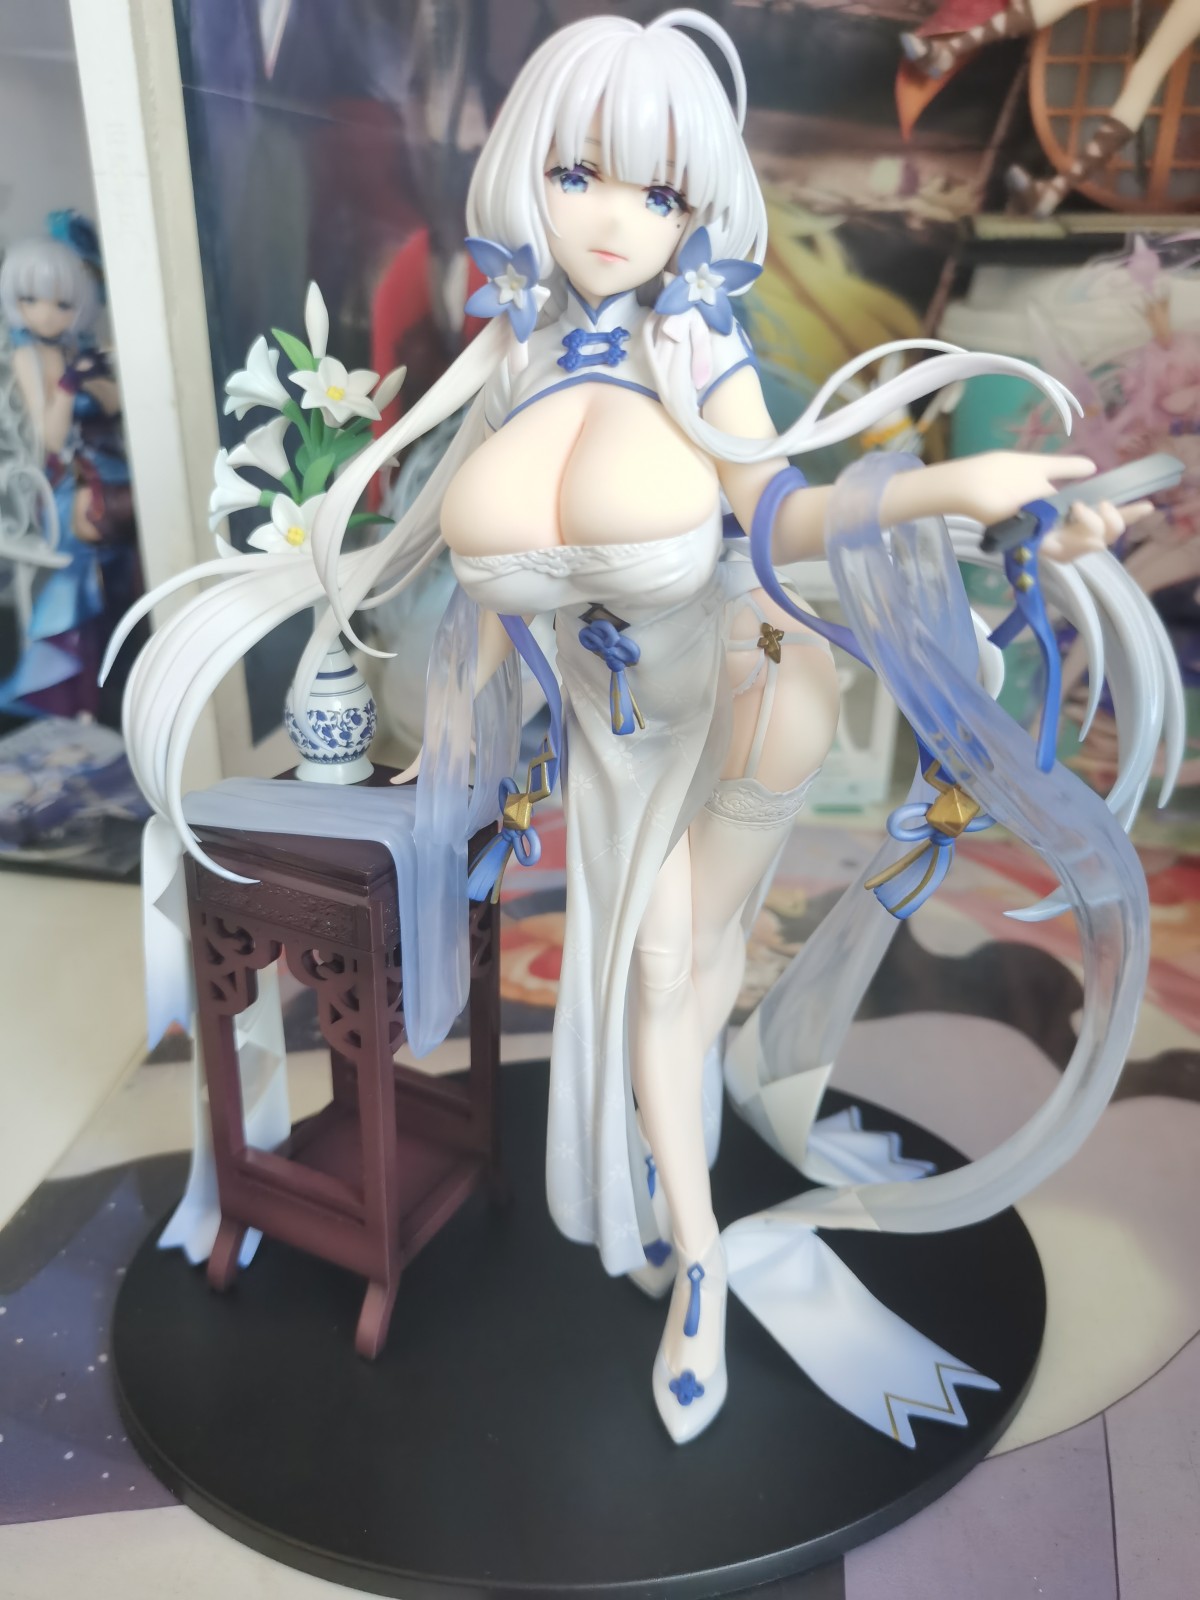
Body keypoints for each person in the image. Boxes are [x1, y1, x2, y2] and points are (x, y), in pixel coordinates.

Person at [106, 10, 1174, 1445]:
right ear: (529, 172)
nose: (616, 220)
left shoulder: (693, 343)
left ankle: (705, 1269)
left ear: (697, 210)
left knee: (666, 966)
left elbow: (784, 517)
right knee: (652, 965)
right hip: (611, 746)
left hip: (744, 693)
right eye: (581, 175)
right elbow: (417, 548)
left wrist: (952, 493)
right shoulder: (515, 352)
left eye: (659, 192)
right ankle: (657, 1186)